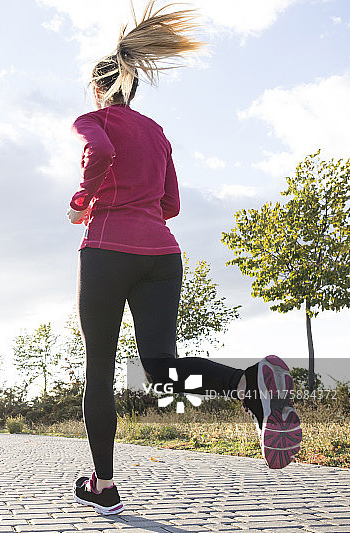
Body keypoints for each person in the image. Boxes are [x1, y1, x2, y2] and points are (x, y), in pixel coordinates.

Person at [66, 1, 301, 515]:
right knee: (160, 366)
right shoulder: (156, 133)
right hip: (162, 255)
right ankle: (249, 382)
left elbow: (101, 155)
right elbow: (172, 204)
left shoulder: (91, 120)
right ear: (133, 86)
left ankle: (103, 485)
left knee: (100, 370)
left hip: (107, 248)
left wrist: (83, 201)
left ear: (97, 86)